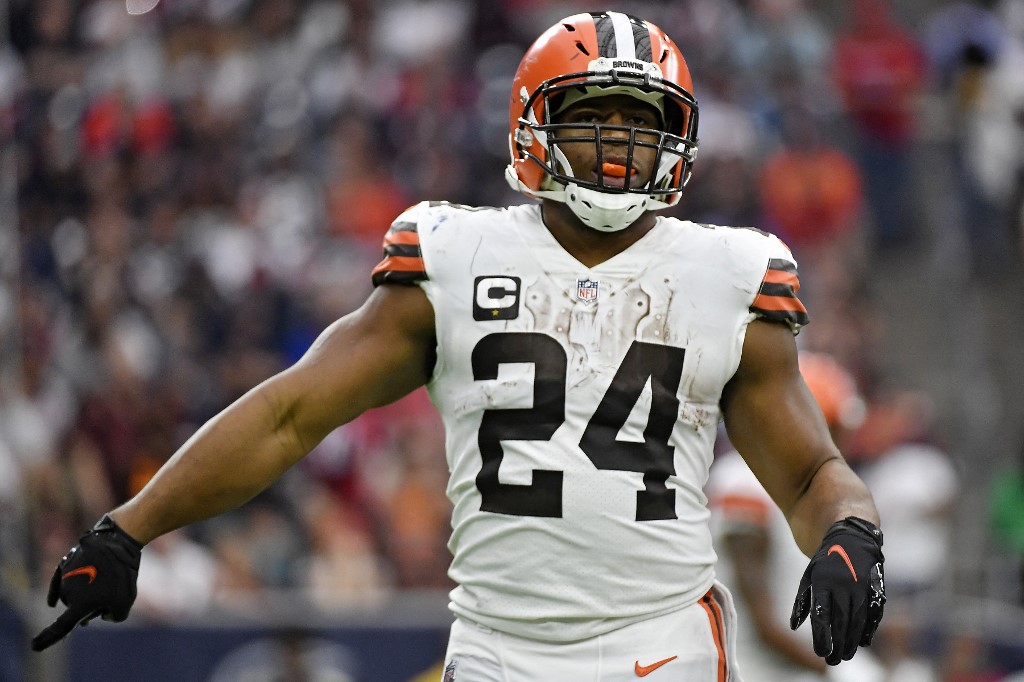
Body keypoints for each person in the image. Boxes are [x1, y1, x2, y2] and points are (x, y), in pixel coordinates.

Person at [31, 12, 885, 680]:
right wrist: (129, 528)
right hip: (496, 648)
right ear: (532, 125)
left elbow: (811, 471)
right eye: (598, 117)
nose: (624, 145)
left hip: (659, 646)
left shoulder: (726, 272)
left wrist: (851, 534)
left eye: (644, 120)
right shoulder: (455, 258)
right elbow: (291, 414)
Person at [707, 351, 884, 682]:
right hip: (754, 671)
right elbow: (763, 622)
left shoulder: (802, 490)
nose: (836, 445)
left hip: (792, 669)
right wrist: (837, 670)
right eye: (830, 429)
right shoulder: (745, 482)